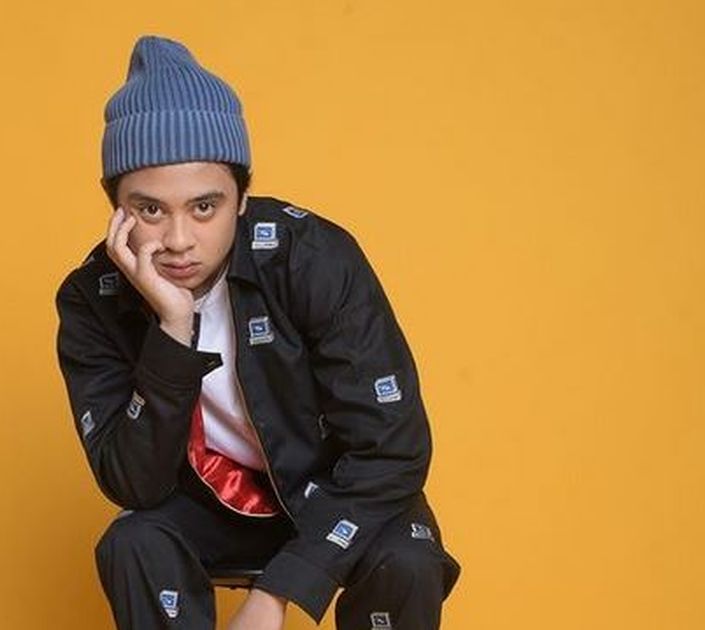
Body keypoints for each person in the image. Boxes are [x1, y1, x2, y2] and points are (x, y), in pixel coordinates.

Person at [55, 35, 460, 630]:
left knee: (407, 560)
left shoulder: (312, 258)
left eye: (204, 207)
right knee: (133, 542)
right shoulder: (93, 298)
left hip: (338, 492)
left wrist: (276, 594)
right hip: (209, 506)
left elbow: (394, 449)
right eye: (150, 210)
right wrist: (173, 328)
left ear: (242, 198)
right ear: (114, 205)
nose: (178, 241)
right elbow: (133, 484)